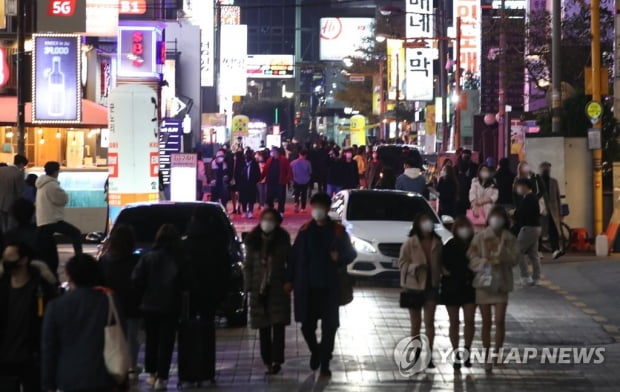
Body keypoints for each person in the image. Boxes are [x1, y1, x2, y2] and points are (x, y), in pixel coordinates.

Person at [286, 193, 356, 377]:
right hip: (307, 288)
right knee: (306, 326)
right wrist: (289, 280)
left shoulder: (338, 231)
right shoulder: (305, 231)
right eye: (314, 206)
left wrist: (339, 258)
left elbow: (351, 253)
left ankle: (325, 362)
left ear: (327, 209)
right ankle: (316, 352)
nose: (317, 211)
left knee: (329, 327)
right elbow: (294, 258)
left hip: (330, 288)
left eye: (320, 207)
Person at [42, 254, 117, 392]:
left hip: (68, 376)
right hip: (103, 374)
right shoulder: (109, 302)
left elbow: (49, 347)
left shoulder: (55, 306)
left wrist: (48, 383)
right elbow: (119, 335)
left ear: (68, 275)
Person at [180, 207, 232, 386]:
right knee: (208, 332)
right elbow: (225, 270)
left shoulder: (185, 244)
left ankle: (188, 372)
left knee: (187, 333)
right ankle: (207, 371)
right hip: (210, 293)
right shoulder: (217, 243)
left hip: (189, 296)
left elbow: (179, 272)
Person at [132, 224, 183, 390]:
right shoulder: (178, 258)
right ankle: (162, 377)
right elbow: (185, 281)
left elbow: (136, 279)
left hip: (149, 305)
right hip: (170, 305)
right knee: (166, 341)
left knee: (151, 340)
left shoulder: (148, 257)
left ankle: (152, 373)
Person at [0, 241, 57, 392]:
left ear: (24, 260)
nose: (6, 262)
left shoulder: (41, 288)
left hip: (32, 357)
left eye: (10, 257)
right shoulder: (3, 286)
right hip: (5, 357)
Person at [467, 206, 519, 371]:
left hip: (501, 283)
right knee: (486, 322)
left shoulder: (509, 239)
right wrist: (483, 263)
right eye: (493, 217)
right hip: (484, 283)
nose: (496, 221)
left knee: (500, 320)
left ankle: (498, 355)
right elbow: (471, 255)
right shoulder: (480, 237)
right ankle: (487, 357)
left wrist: (502, 255)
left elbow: (515, 259)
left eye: (499, 217)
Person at [244, 209, 292, 375]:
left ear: (277, 222)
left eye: (271, 219)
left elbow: (290, 263)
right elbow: (248, 265)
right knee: (264, 329)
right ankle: (268, 362)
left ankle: (277, 359)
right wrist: (248, 286)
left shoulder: (282, 239)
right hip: (259, 290)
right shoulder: (253, 239)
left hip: (278, 288)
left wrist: (289, 281)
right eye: (265, 219)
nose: (267, 222)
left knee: (278, 326)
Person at [98, 224, 142, 379]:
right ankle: (131, 367)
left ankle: (114, 366)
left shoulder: (104, 261)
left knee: (113, 337)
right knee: (132, 337)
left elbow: (100, 282)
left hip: (111, 304)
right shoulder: (136, 259)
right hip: (132, 303)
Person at [399, 213, 442, 368]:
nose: (427, 224)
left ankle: (429, 355)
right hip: (414, 286)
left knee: (429, 322)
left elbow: (441, 263)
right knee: (415, 323)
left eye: (428, 221)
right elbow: (402, 263)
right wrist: (414, 267)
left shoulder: (437, 242)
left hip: (431, 286)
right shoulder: (410, 242)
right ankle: (416, 355)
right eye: (423, 221)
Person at [440, 218, 476, 369]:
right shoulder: (449, 244)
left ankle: (467, 349)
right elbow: (441, 263)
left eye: (466, 227)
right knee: (454, 321)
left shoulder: (474, 245)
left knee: (469, 320)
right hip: (452, 287)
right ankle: (456, 353)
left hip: (469, 286)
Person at [35, 161, 83, 256]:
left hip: (43, 218)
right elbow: (62, 199)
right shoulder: (52, 185)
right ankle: (79, 256)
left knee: (47, 244)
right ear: (55, 171)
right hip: (52, 219)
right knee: (76, 233)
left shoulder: (41, 184)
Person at [514, 178, 542, 286]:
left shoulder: (529, 198)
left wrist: (514, 213)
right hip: (536, 228)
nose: (518, 189)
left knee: (518, 251)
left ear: (525, 186)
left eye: (519, 186)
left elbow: (523, 213)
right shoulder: (533, 198)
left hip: (528, 228)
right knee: (533, 253)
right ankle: (536, 278)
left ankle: (525, 276)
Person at [538, 162, 564, 259]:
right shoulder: (537, 181)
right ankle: (538, 251)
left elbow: (558, 198)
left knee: (553, 231)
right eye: (544, 168)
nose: (546, 170)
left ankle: (555, 250)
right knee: (539, 232)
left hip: (553, 211)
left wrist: (560, 213)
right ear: (540, 169)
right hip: (541, 211)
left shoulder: (554, 182)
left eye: (548, 168)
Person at [0, 154, 28, 232]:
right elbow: (20, 191)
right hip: (11, 203)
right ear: (22, 164)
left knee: (2, 225)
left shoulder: (1, 170)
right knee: (10, 226)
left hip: (0, 201)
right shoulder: (18, 174)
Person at [263, 147, 292, 215]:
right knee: (269, 197)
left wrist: (288, 179)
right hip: (270, 182)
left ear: (276, 152)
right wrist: (261, 178)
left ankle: (281, 211)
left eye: (272, 151)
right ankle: (271, 209)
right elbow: (265, 169)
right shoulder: (269, 160)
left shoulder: (284, 159)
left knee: (281, 197)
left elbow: (288, 170)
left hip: (280, 182)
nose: (271, 152)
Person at [237, 149, 261, 219]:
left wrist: (255, 181)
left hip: (251, 183)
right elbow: (237, 173)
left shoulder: (254, 163)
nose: (248, 156)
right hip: (243, 183)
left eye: (249, 154)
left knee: (251, 198)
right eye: (247, 154)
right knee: (243, 198)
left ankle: (250, 211)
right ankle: (244, 211)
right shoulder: (241, 163)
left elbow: (258, 174)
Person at [456, 150, 478, 216]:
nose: (465, 158)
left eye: (467, 157)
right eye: (464, 156)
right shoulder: (457, 167)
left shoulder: (475, 167)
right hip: (460, 195)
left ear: (470, 157)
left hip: (471, 194)